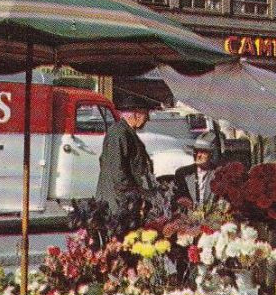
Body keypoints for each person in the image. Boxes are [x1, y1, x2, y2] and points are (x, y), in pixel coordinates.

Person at [94, 93, 156, 221]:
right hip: (117, 203)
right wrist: (134, 195)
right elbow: (118, 171)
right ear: (136, 114)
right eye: (146, 114)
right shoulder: (119, 133)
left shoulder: (125, 132)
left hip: (123, 201)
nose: (148, 118)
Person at [165, 130, 221, 210]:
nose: (198, 155)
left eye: (203, 152)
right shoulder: (183, 173)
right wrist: (181, 201)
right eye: (196, 151)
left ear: (211, 154)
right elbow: (174, 197)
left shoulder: (218, 173)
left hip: (214, 216)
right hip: (189, 218)